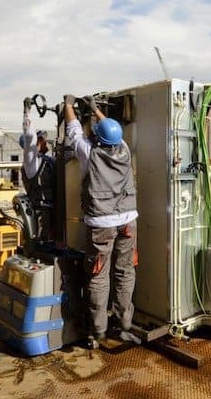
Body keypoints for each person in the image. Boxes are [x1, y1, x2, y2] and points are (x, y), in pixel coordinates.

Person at [64, 94, 139, 342]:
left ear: (97, 137)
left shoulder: (89, 154)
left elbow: (74, 132)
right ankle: (125, 322)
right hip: (128, 221)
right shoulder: (125, 150)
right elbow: (113, 133)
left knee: (98, 275)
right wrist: (97, 110)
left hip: (102, 225)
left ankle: (99, 329)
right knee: (125, 270)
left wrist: (68, 106)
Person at [20, 105, 55, 240]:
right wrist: (27, 113)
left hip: (51, 210)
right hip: (41, 213)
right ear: (38, 142)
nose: (46, 141)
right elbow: (29, 137)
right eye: (43, 139)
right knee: (43, 242)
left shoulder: (47, 160)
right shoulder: (31, 163)